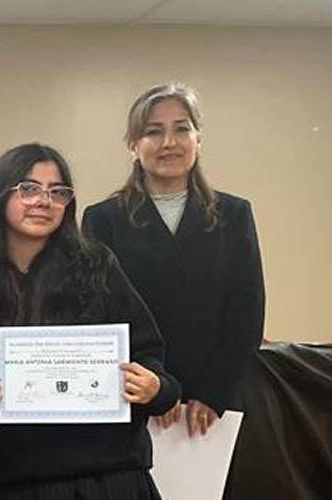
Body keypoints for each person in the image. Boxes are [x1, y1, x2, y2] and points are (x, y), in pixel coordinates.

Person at [0, 143, 179, 499]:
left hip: (112, 479)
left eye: (58, 192)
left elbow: (153, 363)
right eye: (28, 189)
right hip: (22, 483)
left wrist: (154, 387)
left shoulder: (97, 268)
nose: (44, 201)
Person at [82, 83, 265, 438]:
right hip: (133, 395)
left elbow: (247, 312)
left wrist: (213, 393)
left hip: (211, 406)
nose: (169, 142)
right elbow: (97, 316)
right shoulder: (103, 219)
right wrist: (156, 390)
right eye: (153, 131)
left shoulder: (234, 215)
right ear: (133, 145)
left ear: (198, 139)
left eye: (182, 129)